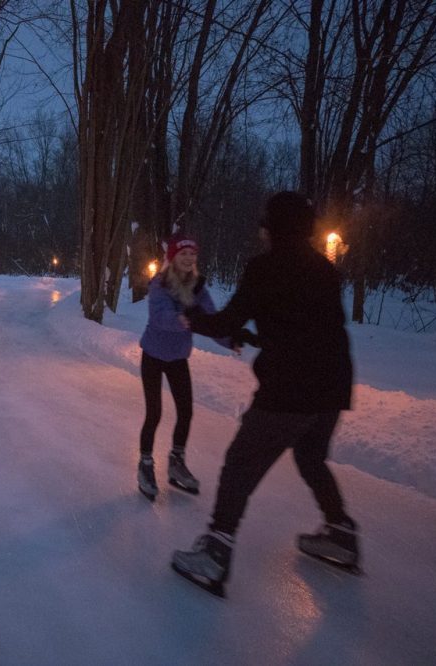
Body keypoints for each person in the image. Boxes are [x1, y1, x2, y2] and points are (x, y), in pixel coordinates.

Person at [170, 191, 358, 597]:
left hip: (291, 387)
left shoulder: (265, 268)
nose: (261, 228)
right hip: (334, 381)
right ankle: (341, 532)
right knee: (310, 456)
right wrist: (248, 332)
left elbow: (231, 317)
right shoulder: (325, 268)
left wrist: (192, 316)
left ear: (273, 227)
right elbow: (301, 323)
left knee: (241, 463)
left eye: (265, 222)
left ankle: (215, 551)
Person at [137, 235, 233, 501]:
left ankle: (176, 462)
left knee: (186, 412)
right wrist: (186, 318)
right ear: (172, 258)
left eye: (192, 254)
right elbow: (160, 317)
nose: (189, 259)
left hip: (178, 357)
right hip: (153, 356)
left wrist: (230, 339)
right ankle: (145, 464)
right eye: (183, 254)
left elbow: (211, 319)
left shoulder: (198, 288)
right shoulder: (160, 284)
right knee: (154, 413)